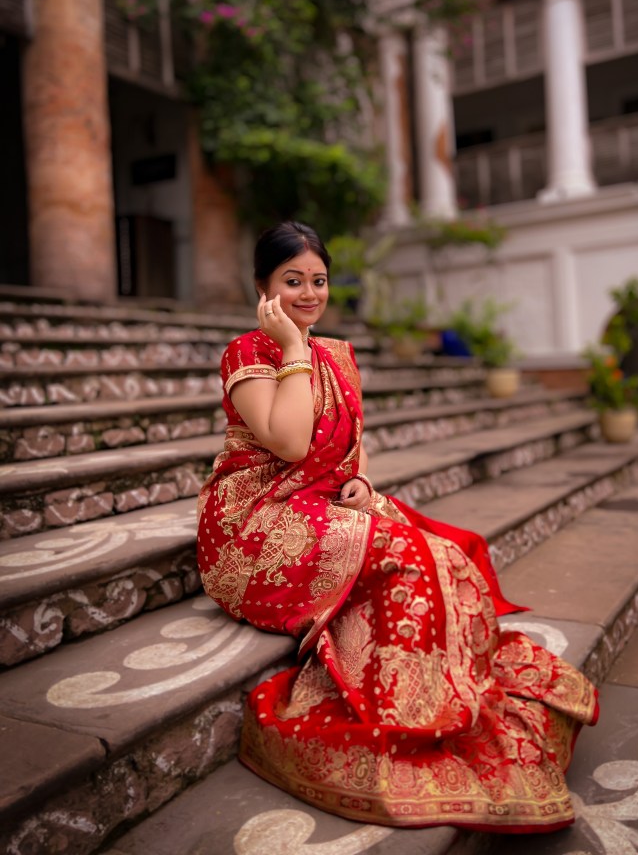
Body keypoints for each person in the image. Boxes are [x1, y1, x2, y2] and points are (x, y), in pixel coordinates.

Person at [197, 220, 598, 833]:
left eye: (319, 280)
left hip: (327, 502)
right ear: (262, 288)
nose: (309, 293)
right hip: (256, 522)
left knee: (446, 554)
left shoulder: (338, 355)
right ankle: (413, 710)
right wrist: (293, 349)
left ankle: (445, 687)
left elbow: (352, 439)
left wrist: (361, 480)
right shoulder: (249, 352)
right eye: (292, 281)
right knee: (405, 557)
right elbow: (292, 442)